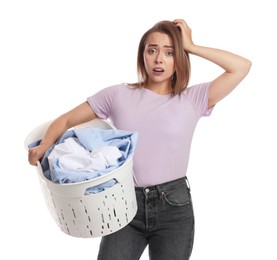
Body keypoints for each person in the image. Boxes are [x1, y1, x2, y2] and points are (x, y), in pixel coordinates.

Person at [28, 19, 251, 259]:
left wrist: (192, 46)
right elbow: (67, 120)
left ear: (180, 58)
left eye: (169, 52)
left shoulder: (193, 98)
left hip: (174, 207)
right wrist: (44, 145)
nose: (158, 59)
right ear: (142, 55)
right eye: (152, 50)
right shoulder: (118, 94)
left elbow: (241, 66)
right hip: (123, 203)